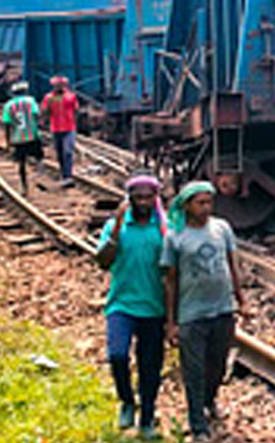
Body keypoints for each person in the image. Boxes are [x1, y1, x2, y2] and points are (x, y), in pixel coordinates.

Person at [161, 182, 249, 443]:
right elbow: (170, 281)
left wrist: (242, 301)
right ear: (187, 205)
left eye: (209, 202)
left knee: (218, 366)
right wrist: (171, 322)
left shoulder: (222, 228)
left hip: (222, 309)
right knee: (194, 371)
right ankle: (197, 423)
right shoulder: (174, 236)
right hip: (192, 314)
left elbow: (233, 266)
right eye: (200, 203)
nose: (206, 207)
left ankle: (210, 400)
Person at [96, 173, 169, 439]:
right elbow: (102, 261)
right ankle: (127, 400)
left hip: (154, 307)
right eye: (138, 198)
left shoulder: (163, 228)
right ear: (129, 200)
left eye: (148, 197)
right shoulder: (116, 226)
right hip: (121, 304)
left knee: (151, 367)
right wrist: (115, 230)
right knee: (117, 355)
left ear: (155, 199)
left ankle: (147, 416)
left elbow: (172, 271)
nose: (143, 202)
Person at [1, 81, 43, 194]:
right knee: (39, 156)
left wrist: (8, 141)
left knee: (21, 163)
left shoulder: (8, 105)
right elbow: (37, 115)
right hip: (32, 135)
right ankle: (39, 174)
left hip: (18, 138)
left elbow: (6, 124)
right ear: (25, 91)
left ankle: (24, 186)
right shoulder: (30, 101)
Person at [41, 75, 79, 187]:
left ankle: (68, 176)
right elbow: (45, 112)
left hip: (69, 128)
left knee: (68, 151)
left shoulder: (71, 96)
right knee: (60, 153)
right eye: (57, 86)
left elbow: (76, 110)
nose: (59, 87)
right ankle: (64, 174)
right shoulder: (49, 97)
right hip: (56, 128)